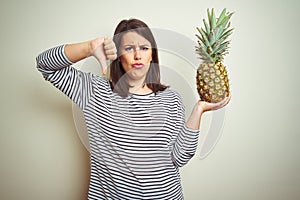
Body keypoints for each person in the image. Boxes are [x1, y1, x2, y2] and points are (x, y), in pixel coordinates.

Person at [36, 18, 230, 200]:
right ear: (118, 55)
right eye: (129, 48)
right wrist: (89, 48)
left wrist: (199, 110)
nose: (138, 55)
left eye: (144, 48)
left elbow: (179, 158)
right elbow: (44, 64)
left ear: (152, 55)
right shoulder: (94, 91)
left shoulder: (171, 99)